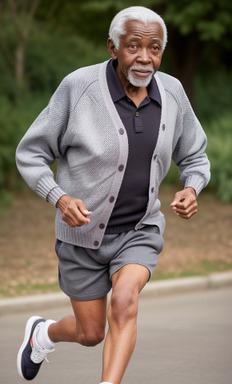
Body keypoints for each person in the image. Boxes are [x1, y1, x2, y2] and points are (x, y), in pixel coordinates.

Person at [16, 6, 210, 384]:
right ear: (113, 47)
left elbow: (195, 154)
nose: (144, 57)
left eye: (154, 48)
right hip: (82, 238)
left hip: (139, 230)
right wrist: (58, 197)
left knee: (124, 302)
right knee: (90, 334)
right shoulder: (79, 87)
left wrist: (192, 186)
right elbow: (31, 152)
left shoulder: (171, 92)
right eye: (133, 46)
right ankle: (43, 333)